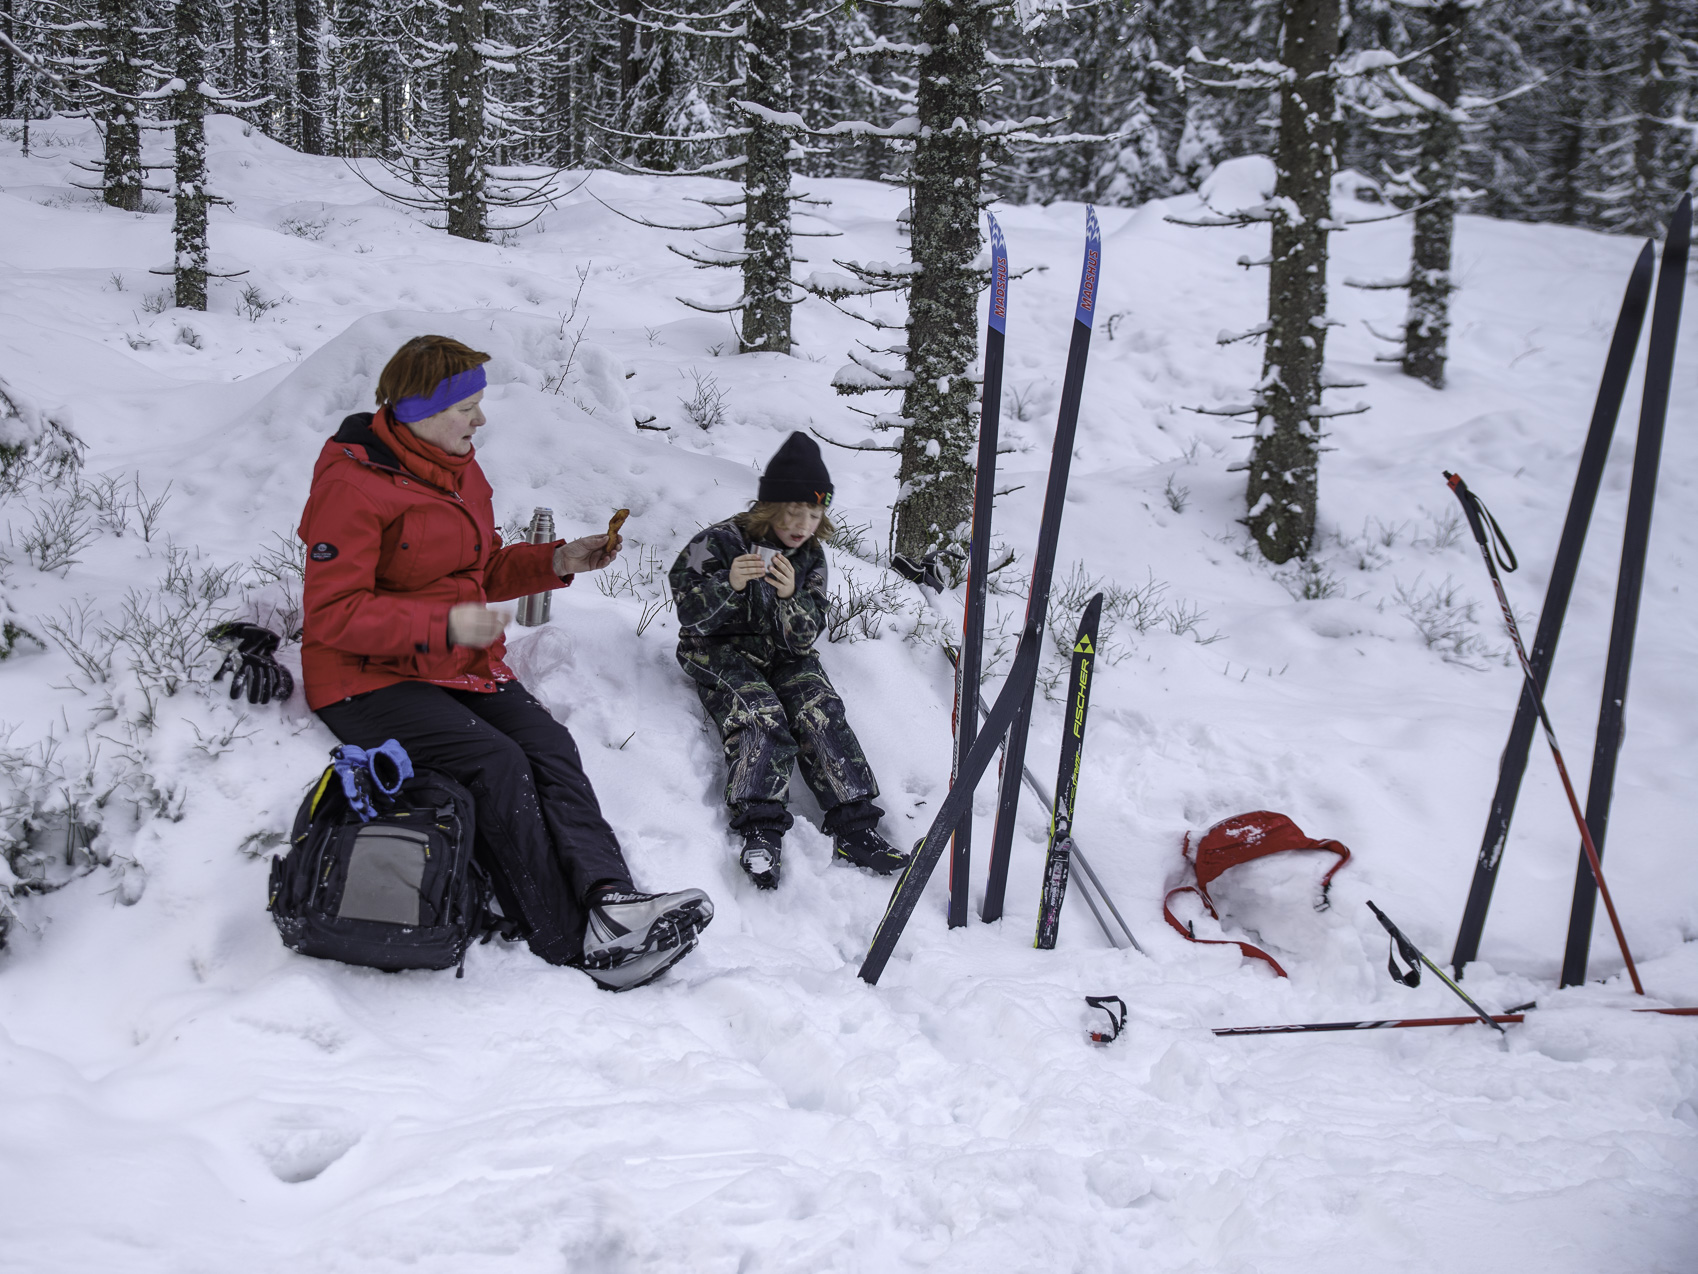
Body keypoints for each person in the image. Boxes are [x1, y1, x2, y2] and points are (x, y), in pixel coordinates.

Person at [297, 334, 712, 990]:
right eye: (468, 409)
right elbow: (332, 615)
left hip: (454, 664)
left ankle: (611, 903)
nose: (480, 421)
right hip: (363, 678)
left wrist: (556, 562)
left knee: (547, 745)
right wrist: (445, 622)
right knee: (496, 763)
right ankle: (566, 939)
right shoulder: (352, 485)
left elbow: (481, 567)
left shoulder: (458, 466)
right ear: (421, 412)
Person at [669, 431, 908, 889]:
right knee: (760, 716)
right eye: (792, 512)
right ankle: (760, 827)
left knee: (821, 710)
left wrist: (788, 598)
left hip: (783, 654)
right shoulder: (715, 543)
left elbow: (805, 634)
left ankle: (855, 828)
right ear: (770, 507)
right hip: (719, 651)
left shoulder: (810, 555)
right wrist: (729, 586)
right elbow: (688, 611)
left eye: (813, 514)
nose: (801, 524)